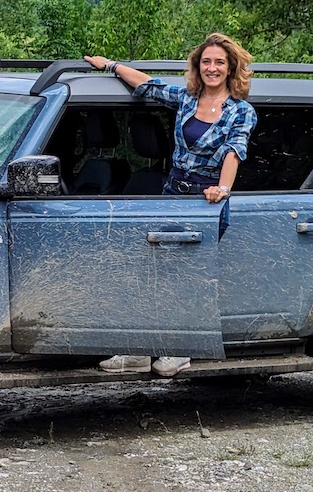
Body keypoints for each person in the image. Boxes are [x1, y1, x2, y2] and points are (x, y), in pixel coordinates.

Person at [83, 33, 258, 377]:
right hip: (172, 195)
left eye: (219, 62)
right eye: (206, 61)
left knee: (184, 276)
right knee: (151, 273)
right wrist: (111, 65)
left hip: (206, 201)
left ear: (230, 67)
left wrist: (221, 188)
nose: (212, 68)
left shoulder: (241, 111)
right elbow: (148, 85)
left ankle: (179, 351)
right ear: (198, 66)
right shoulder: (187, 99)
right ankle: (137, 352)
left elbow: (235, 151)